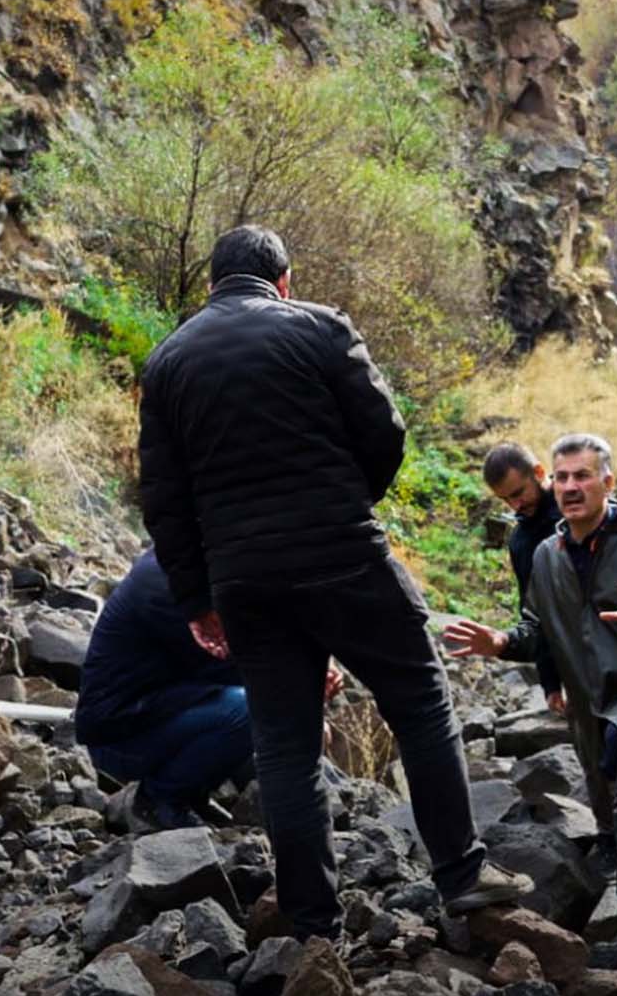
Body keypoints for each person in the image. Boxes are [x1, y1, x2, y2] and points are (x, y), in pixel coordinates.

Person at [137, 224, 529, 938]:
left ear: (211, 286)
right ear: (284, 279)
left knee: (285, 742)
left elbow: (163, 498)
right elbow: (386, 432)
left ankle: (313, 920)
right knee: (418, 698)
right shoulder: (319, 328)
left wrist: (197, 598)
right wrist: (351, 504)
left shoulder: (166, 362)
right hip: (342, 553)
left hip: (245, 581)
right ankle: (463, 874)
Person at [443, 434, 617, 929]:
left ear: (608, 481)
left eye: (582, 476)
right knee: (606, 776)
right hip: (590, 690)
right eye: (563, 478)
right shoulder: (543, 553)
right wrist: (500, 642)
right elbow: (536, 628)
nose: (570, 486)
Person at [76, 550, 256, 831]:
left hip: (152, 712)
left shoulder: (181, 567)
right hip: (118, 739)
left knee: (254, 704)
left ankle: (189, 794)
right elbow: (232, 666)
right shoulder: (167, 587)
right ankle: (157, 801)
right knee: (250, 710)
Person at [482, 442, 567, 714]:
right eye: (505, 499)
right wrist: (551, 683)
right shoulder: (520, 541)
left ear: (539, 472)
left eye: (518, 493)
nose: (515, 506)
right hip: (574, 671)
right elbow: (534, 616)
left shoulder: (580, 505)